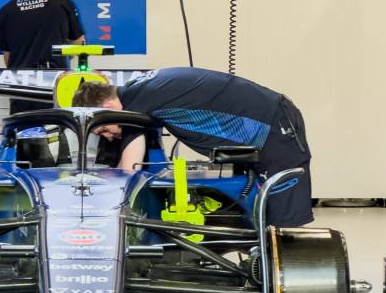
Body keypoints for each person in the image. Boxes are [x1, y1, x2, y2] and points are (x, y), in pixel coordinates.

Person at [72, 66, 313, 227]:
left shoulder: (136, 103)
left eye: (103, 129)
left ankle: (292, 283)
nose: (109, 137)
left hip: (272, 124)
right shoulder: (139, 88)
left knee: (285, 222)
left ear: (109, 108)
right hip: (268, 120)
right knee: (268, 217)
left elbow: (128, 170)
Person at [0, 0, 86, 113]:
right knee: (56, 126)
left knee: (22, 127)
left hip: (22, 88)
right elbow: (79, 44)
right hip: (57, 85)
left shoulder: (7, 10)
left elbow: (8, 58)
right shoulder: (62, 3)